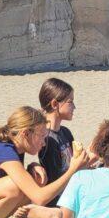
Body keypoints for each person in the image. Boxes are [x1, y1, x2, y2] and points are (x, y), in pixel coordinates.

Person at [38, 77, 79, 205]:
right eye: (70, 102)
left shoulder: (65, 132)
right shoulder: (47, 140)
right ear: (55, 104)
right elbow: (55, 179)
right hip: (58, 201)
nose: (74, 107)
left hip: (70, 192)